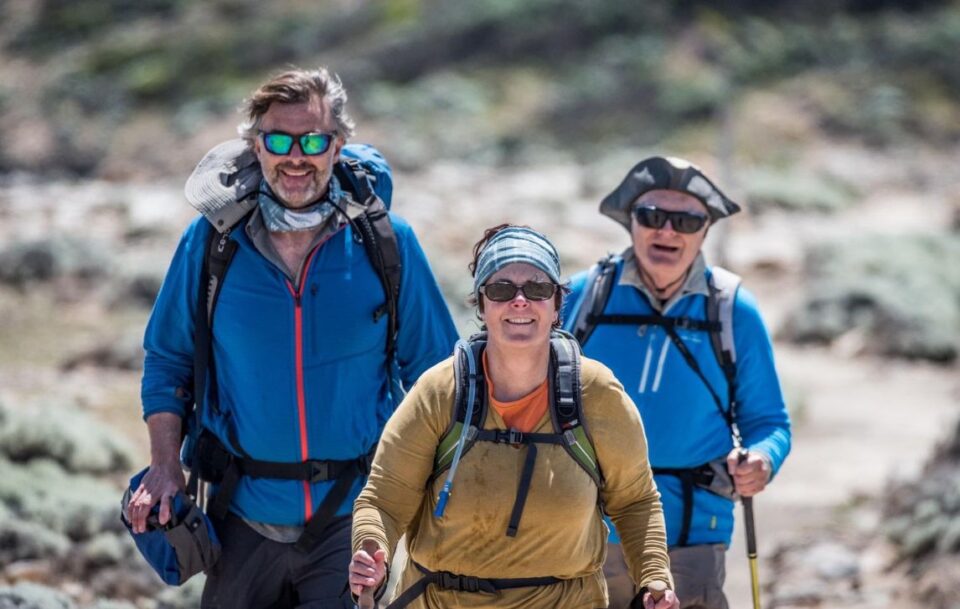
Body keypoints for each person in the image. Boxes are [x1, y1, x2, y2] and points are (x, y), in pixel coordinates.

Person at [126, 67, 458, 608]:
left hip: (352, 519)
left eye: (314, 140)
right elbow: (168, 360)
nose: (296, 157)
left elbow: (435, 375)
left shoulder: (386, 244)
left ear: (339, 145)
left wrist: (435, 491)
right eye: (279, 139)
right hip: (239, 516)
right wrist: (165, 467)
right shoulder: (212, 243)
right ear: (256, 146)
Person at [349, 224, 680, 609]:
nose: (520, 301)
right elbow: (385, 501)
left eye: (537, 289)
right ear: (481, 303)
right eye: (502, 290)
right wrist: (372, 551)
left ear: (557, 305)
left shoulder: (596, 393)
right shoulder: (441, 392)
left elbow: (636, 501)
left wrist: (654, 577)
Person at [563, 156, 792, 609]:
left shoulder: (733, 311)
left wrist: (763, 459)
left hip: (691, 534)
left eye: (686, 220)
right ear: (631, 223)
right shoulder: (581, 296)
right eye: (652, 216)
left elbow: (769, 422)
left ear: (704, 231)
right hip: (585, 528)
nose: (667, 231)